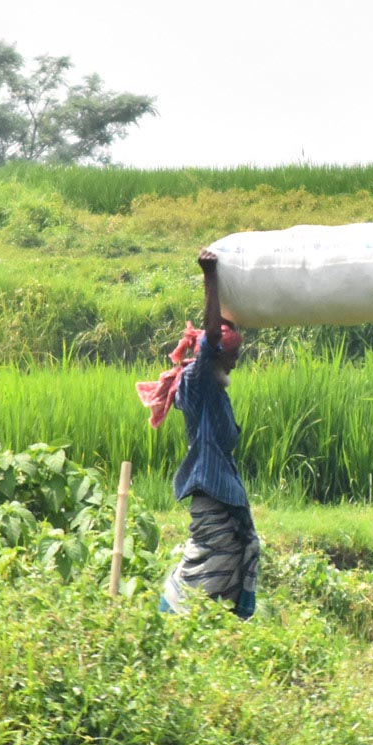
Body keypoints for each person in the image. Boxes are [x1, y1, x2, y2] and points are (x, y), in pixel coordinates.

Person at [138, 248, 260, 619]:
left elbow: (218, 332)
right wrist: (210, 277)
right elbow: (210, 337)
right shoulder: (199, 380)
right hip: (210, 492)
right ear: (219, 356)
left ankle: (203, 623)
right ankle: (173, 615)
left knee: (225, 560)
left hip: (220, 492)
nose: (237, 363)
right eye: (233, 356)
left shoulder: (215, 390)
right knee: (212, 560)